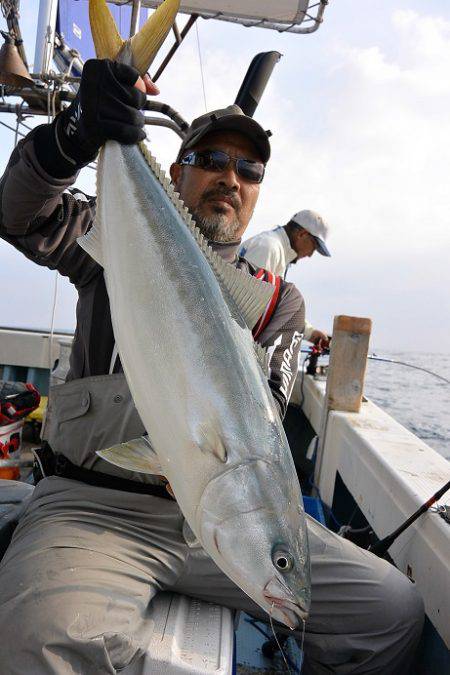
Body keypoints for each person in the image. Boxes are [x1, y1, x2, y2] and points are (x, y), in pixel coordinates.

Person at [0, 59, 423, 674]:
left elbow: (265, 420)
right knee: (34, 636)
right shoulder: (110, 234)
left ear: (258, 192)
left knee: (393, 612)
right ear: (177, 172)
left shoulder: (278, 300)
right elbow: (19, 214)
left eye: (248, 169)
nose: (231, 176)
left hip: (217, 521)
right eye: (212, 161)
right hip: (96, 505)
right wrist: (75, 134)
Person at [240, 211, 331, 347]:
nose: (311, 254)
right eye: (314, 246)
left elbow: (273, 304)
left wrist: (310, 333)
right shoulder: (269, 249)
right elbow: (248, 309)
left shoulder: (274, 248)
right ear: (302, 234)